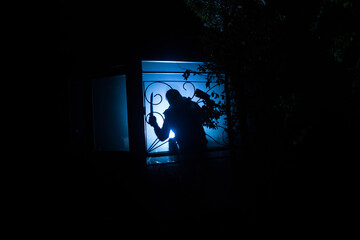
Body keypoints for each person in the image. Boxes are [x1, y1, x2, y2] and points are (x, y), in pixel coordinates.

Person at [148, 89, 208, 155]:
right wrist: (155, 125)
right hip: (195, 147)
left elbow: (163, 136)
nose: (174, 100)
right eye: (172, 98)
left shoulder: (171, 114)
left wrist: (155, 124)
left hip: (189, 148)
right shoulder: (189, 105)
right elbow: (205, 118)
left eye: (174, 97)